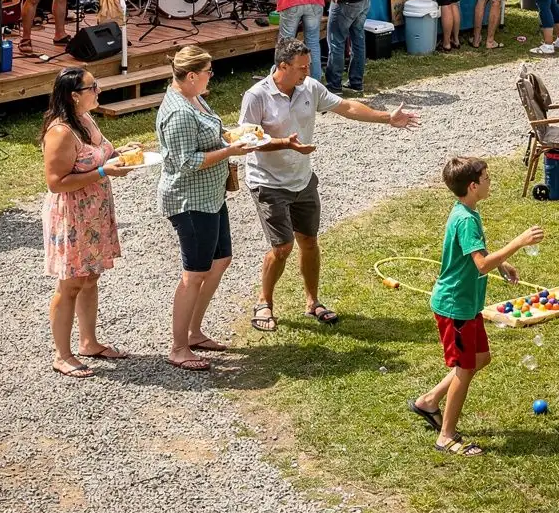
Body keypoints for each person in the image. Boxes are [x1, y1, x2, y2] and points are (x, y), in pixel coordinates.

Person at [240, 38, 419, 332]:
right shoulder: (257, 96)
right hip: (268, 182)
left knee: (309, 242)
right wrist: (286, 144)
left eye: (308, 65)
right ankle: (264, 302)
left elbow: (346, 106)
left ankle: (312, 303)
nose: (307, 71)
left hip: (302, 179)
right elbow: (247, 141)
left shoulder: (309, 87)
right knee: (283, 246)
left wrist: (387, 117)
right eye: (301, 67)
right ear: (282, 66)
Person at [409, 156, 543, 456]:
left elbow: (476, 255)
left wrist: (503, 264)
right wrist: (518, 242)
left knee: (480, 359)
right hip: (455, 306)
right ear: (473, 186)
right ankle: (446, 436)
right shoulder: (466, 218)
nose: (490, 181)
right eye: (487, 178)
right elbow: (480, 265)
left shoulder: (467, 210)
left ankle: (428, 401)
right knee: (464, 368)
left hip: (467, 305)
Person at [156, 46, 268, 371]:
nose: (211, 77)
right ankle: (178, 347)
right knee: (194, 274)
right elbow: (186, 162)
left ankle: (193, 332)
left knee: (220, 260)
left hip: (210, 196)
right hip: (190, 202)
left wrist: (233, 139)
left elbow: (210, 135)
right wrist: (231, 149)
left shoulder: (194, 97)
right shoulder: (178, 111)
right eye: (207, 72)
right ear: (190, 75)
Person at [41, 67, 136, 378]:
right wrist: (102, 173)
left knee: (90, 278)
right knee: (69, 285)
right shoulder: (61, 132)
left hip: (93, 213)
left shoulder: (86, 119)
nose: (99, 90)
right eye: (92, 87)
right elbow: (56, 182)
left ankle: (89, 342)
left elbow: (101, 154)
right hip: (72, 215)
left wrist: (123, 154)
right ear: (73, 95)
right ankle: (62, 354)